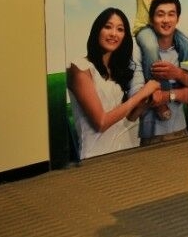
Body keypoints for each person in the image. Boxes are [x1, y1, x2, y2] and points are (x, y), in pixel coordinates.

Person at [67, 8, 160, 159]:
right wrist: (140, 95)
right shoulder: (80, 68)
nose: (113, 34)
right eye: (108, 27)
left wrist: (144, 103)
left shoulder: (117, 70)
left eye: (120, 29)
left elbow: (125, 121)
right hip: (96, 156)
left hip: (127, 148)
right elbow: (101, 123)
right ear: (97, 30)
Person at [130, 0, 188, 145]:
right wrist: (177, 94)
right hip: (152, 136)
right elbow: (137, 97)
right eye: (160, 14)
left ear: (177, 19)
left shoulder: (183, 48)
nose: (166, 20)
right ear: (152, 20)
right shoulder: (138, 50)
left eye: (171, 14)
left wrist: (177, 74)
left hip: (181, 130)